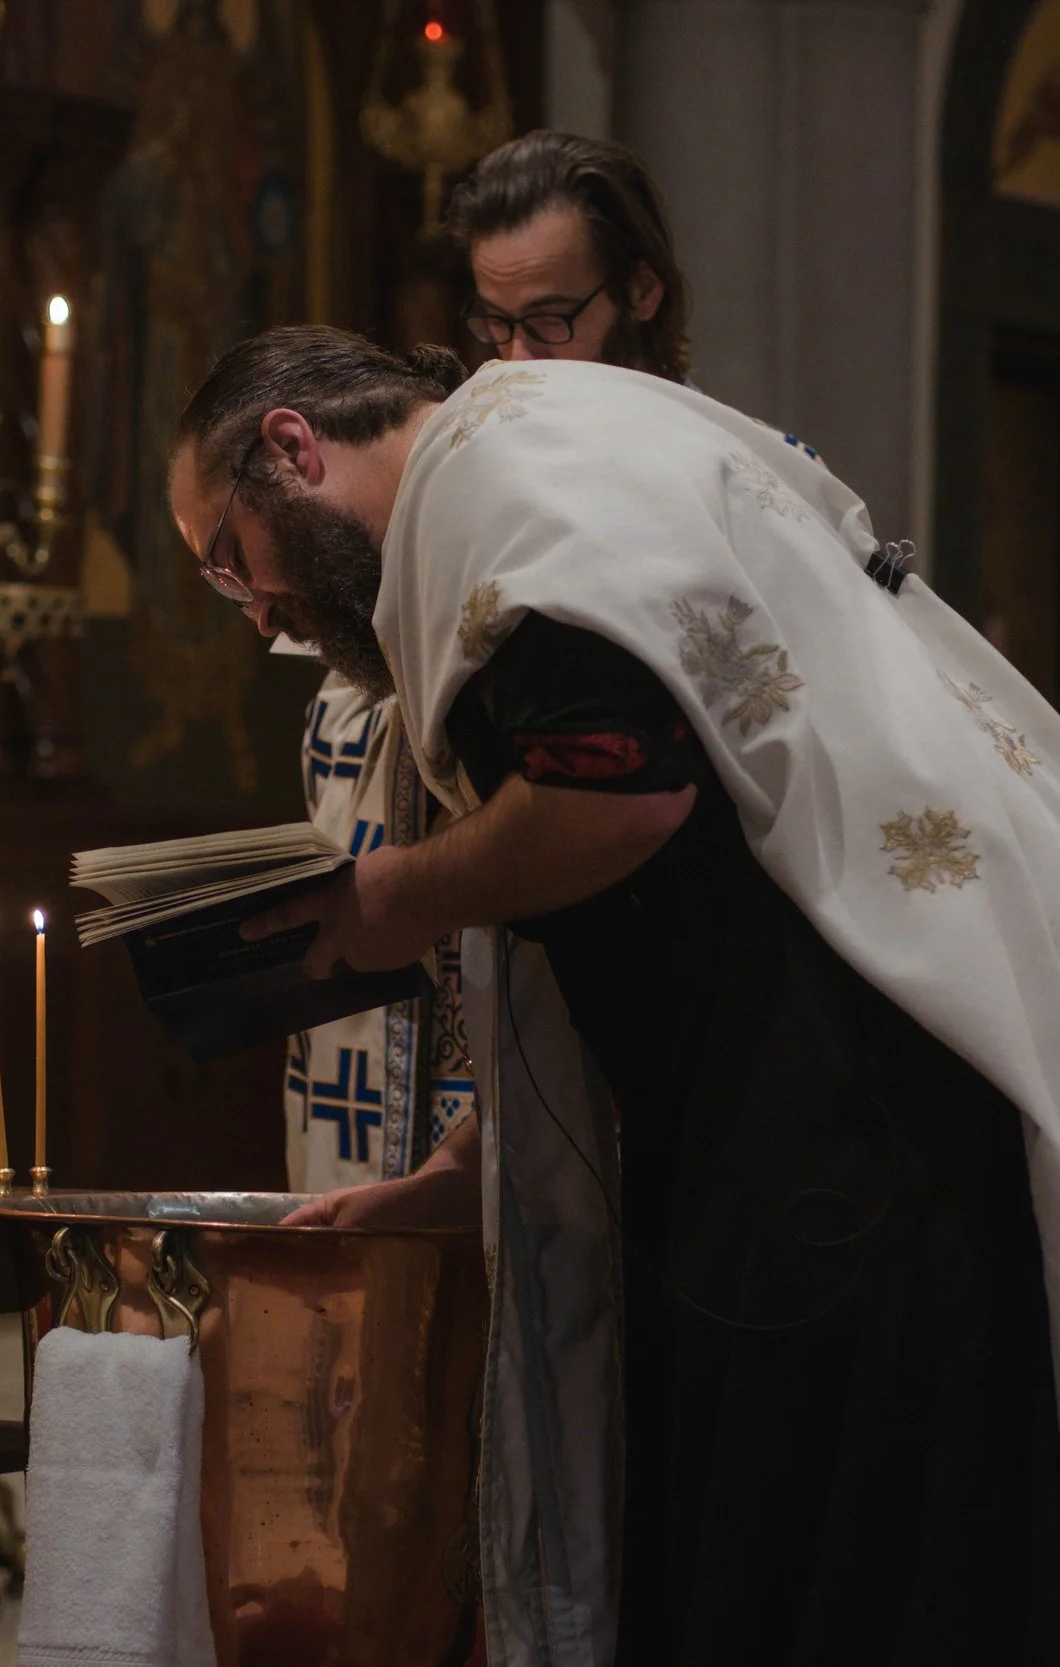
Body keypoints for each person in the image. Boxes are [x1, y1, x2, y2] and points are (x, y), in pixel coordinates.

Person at [168, 330, 1060, 1665]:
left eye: (232, 559)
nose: (259, 612)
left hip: (826, 1152)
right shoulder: (556, 439)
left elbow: (624, 795)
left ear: (294, 448)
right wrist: (468, 1171)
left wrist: (387, 899)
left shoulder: (496, 488)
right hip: (858, 1109)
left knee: (824, 1593)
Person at [282, 131, 690, 1196]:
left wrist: (405, 893)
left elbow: (618, 809)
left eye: (549, 322)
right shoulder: (474, 535)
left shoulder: (678, 495)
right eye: (491, 324)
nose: (513, 363)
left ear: (641, 292)